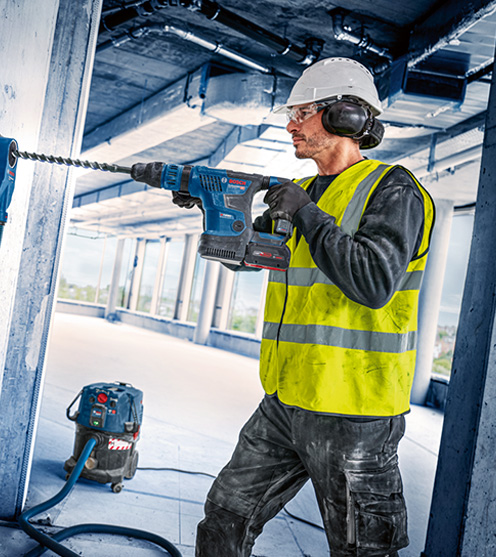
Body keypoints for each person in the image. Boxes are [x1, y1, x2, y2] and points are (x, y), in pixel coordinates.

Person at [131, 57, 436, 556]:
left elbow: (374, 281)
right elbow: (250, 258)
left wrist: (306, 213)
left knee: (363, 549)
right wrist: (216, 210)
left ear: (345, 117)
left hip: (354, 412)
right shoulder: (307, 193)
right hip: (286, 401)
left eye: (303, 113)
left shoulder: (393, 189)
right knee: (225, 514)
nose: (290, 124)